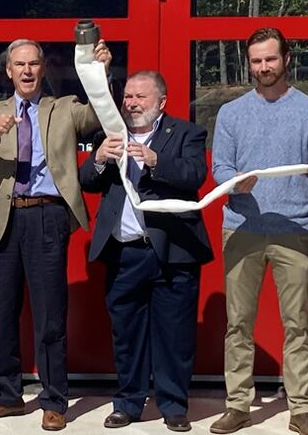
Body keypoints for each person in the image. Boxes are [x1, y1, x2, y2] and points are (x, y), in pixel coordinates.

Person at [0, 38, 111, 431]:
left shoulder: (62, 108)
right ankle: (6, 396)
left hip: (47, 217)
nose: (27, 71)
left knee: (50, 314)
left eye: (34, 64)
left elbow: (101, 114)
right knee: (3, 314)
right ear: (8, 71)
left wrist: (100, 74)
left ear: (43, 69)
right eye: (19, 65)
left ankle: (53, 400)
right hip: (4, 219)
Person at [79, 70, 212, 432]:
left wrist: (155, 161)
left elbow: (194, 175)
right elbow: (86, 182)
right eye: (129, 97)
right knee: (127, 332)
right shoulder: (109, 134)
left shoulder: (187, 132)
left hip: (173, 252)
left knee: (175, 333)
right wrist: (100, 159)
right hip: (124, 253)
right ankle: (128, 403)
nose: (132, 103)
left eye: (141, 97)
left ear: (161, 102)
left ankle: (172, 405)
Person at [209, 28, 308, 435]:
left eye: (270, 59)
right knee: (238, 323)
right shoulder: (232, 113)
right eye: (256, 60)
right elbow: (219, 168)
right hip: (242, 228)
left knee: (297, 323)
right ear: (248, 62)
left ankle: (301, 407)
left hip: (295, 228)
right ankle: (238, 404)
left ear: (286, 59)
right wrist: (235, 182)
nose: (263, 67)